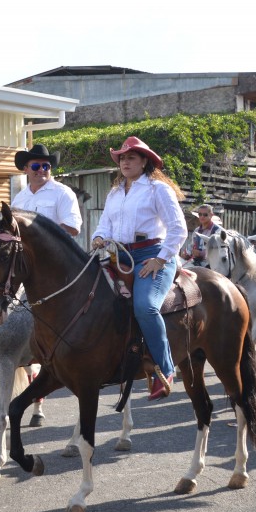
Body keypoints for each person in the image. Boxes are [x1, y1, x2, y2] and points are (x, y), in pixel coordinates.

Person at [91, 136, 188, 401]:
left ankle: (165, 370)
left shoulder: (158, 189)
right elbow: (104, 225)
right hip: (118, 255)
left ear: (144, 162)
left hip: (152, 255)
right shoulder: (114, 193)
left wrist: (161, 259)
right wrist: (98, 238)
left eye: (131, 157)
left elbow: (179, 229)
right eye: (122, 158)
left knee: (145, 306)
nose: (125, 161)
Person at [10, 143, 82, 236]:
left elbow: (73, 227)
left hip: (54, 250)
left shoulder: (63, 193)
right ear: (26, 169)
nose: (41, 170)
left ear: (50, 169)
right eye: (35, 166)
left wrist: (42, 234)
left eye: (45, 166)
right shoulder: (19, 197)